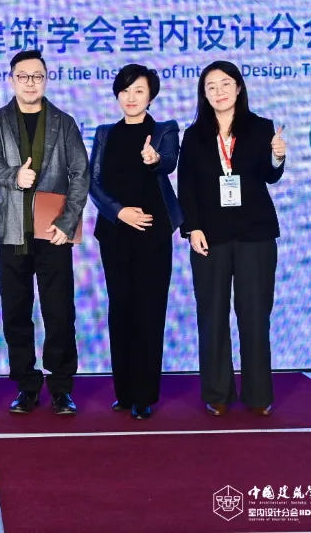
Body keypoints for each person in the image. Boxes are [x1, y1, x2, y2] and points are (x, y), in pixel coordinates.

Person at [0, 50, 89, 415]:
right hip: (11, 231)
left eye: (37, 76)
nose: (30, 83)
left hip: (53, 230)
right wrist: (15, 176)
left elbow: (80, 173)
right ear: (11, 79)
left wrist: (68, 222)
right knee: (16, 311)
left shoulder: (63, 122)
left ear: (46, 79)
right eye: (23, 76)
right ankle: (26, 385)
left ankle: (61, 387)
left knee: (59, 312)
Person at [177, 60, 286, 417]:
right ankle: (217, 392)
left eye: (225, 84)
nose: (219, 92)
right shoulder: (194, 135)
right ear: (204, 95)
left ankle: (258, 395)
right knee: (212, 315)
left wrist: (277, 157)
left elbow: (269, 176)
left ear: (238, 88)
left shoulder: (260, 127)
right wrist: (192, 228)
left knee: (255, 315)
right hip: (209, 236)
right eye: (211, 87)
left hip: (255, 234)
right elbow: (186, 186)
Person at [88, 64, 183, 420]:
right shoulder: (105, 133)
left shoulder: (164, 130)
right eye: (125, 91)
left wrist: (154, 159)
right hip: (115, 233)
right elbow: (92, 181)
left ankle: (144, 395)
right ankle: (124, 392)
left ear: (150, 96)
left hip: (153, 234)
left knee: (149, 311)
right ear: (117, 95)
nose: (131, 97)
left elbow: (169, 162)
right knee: (121, 309)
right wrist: (119, 212)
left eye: (139, 91)